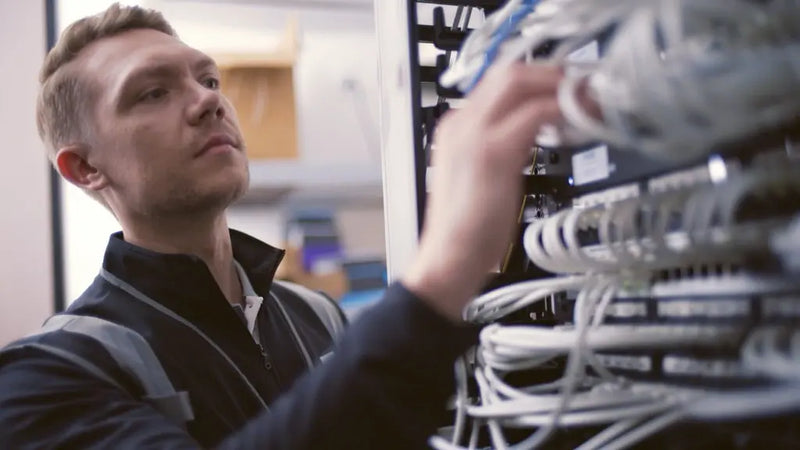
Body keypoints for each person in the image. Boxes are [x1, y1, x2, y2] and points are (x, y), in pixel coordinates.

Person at [0, 3, 563, 449]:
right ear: (85, 168)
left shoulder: (315, 316)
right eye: (153, 92)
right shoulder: (47, 377)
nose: (207, 102)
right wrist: (447, 268)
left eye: (209, 80)